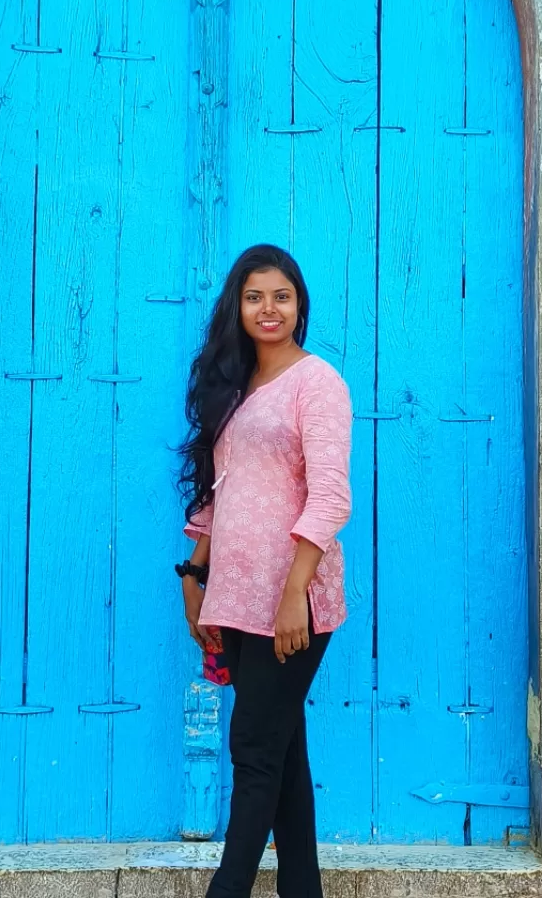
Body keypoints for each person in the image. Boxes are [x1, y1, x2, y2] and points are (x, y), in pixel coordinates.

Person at [177, 244, 353, 898]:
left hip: (291, 598)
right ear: (237, 307)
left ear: (299, 304)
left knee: (253, 749)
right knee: (282, 753)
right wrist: (193, 576)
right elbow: (226, 490)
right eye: (255, 297)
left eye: (281, 295)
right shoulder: (238, 385)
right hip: (237, 593)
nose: (268, 308)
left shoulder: (318, 383)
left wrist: (293, 597)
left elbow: (330, 496)